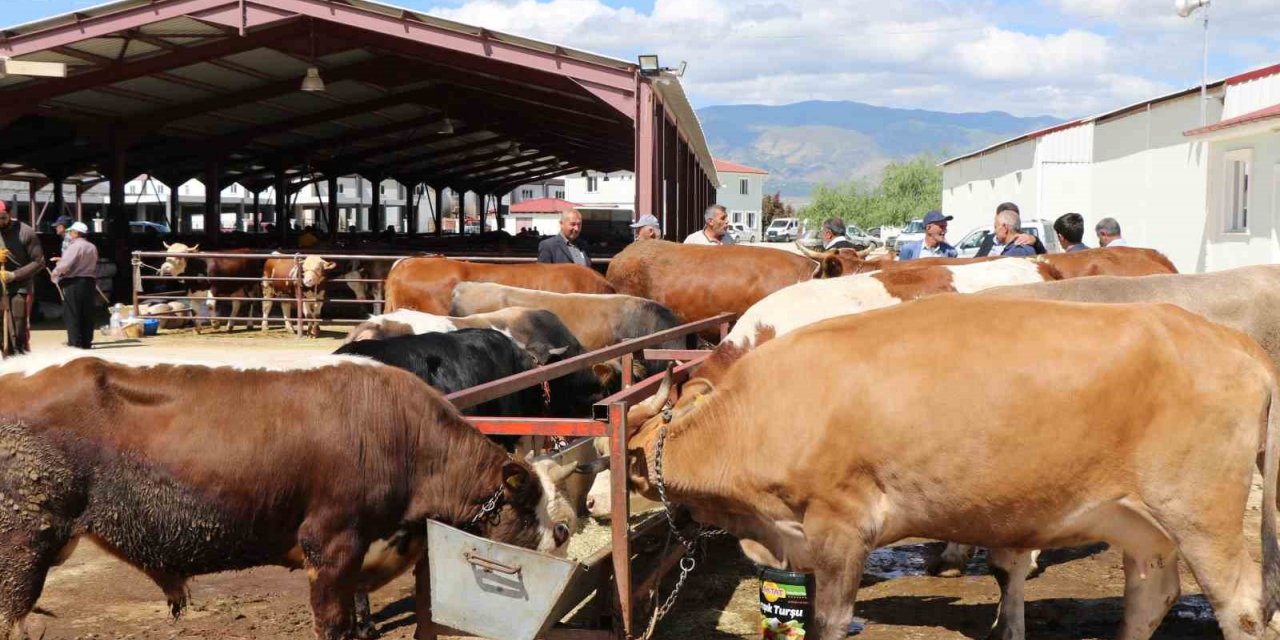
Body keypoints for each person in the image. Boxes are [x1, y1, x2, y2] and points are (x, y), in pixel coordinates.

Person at [0, 201, 45, 354]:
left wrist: (14, 275)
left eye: (2, 218)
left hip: (20, 287)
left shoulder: (26, 232)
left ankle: (21, 359)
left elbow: (39, 262)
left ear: (9, 215)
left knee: (18, 328)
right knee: (2, 330)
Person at [50, 222, 99, 349]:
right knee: (87, 313)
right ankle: (86, 342)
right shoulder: (92, 247)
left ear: (76, 233)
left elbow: (65, 264)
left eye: (71, 231)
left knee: (72, 313)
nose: (69, 233)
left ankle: (75, 343)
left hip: (74, 282)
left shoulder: (74, 247)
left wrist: (55, 274)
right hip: (89, 282)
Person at [976, 202, 1043, 256]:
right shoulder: (989, 239)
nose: (995, 230)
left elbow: (1043, 257)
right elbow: (977, 259)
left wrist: (1036, 241)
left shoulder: (1022, 243)